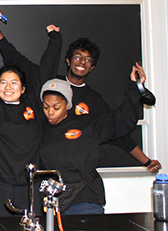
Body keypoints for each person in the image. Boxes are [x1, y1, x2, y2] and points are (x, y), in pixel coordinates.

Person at [0, 17, 57, 217]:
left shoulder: (34, 106)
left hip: (29, 186)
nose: (7, 87)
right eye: (3, 82)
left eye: (14, 83)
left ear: (23, 89)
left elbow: (46, 74)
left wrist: (55, 39)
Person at [39, 70, 144, 214]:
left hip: (85, 200)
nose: (50, 112)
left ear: (68, 105)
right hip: (53, 202)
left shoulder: (87, 124)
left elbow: (121, 121)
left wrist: (135, 87)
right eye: (46, 106)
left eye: (56, 107)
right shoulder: (39, 130)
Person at [62, 37, 161, 173]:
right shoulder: (51, 87)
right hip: (49, 166)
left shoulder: (94, 100)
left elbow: (118, 133)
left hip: (78, 170)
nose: (82, 62)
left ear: (92, 68)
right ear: (68, 60)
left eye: (88, 59)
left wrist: (147, 161)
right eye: (78, 57)